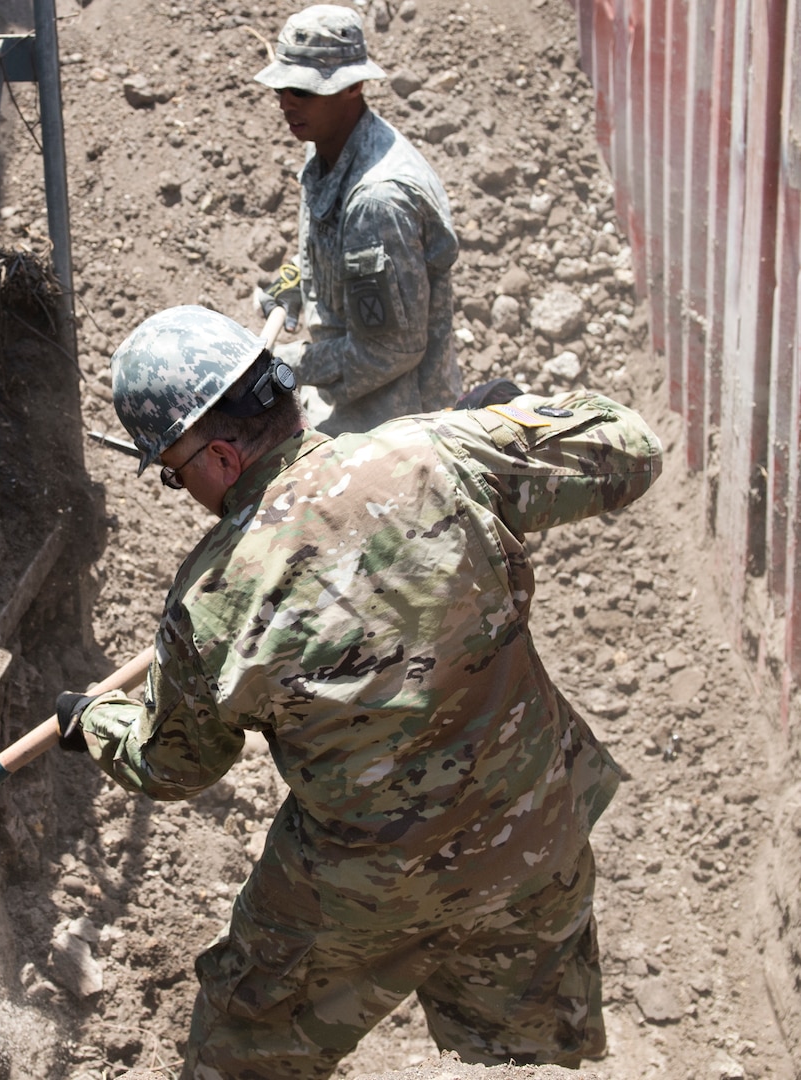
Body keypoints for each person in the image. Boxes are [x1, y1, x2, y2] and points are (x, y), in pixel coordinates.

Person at [57, 305, 662, 1079]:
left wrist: (96, 721)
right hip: (532, 835)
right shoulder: (434, 452)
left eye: (175, 475)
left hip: (363, 892)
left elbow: (174, 767)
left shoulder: (208, 604)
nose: (185, 491)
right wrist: (501, 424)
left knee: (244, 1044)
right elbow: (631, 449)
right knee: (526, 1058)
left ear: (218, 460)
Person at [253, 5, 461, 436]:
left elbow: (389, 352)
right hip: (349, 402)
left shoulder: (377, 200)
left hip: (397, 430)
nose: (286, 102)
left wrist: (285, 363)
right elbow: (333, 251)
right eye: (281, 90)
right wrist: (295, 281)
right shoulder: (326, 148)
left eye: (302, 90)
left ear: (354, 87)